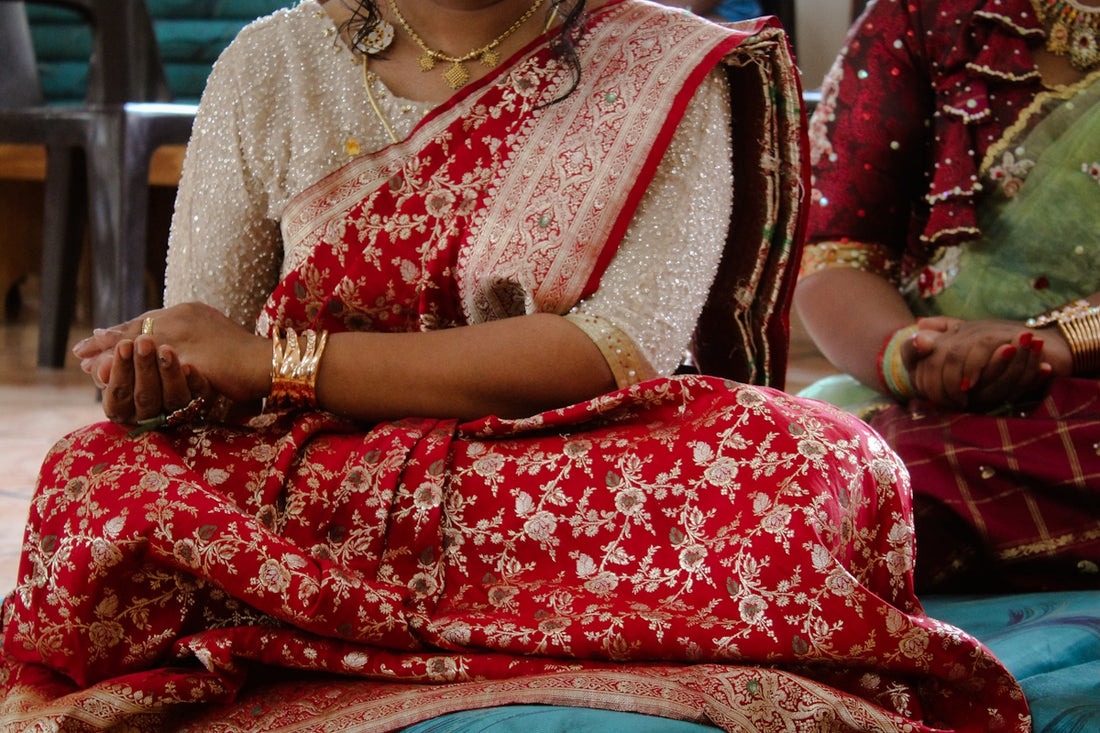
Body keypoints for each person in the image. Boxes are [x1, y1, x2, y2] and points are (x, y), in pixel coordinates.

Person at [0, 0, 1027, 730]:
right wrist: (166, 369)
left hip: (570, 457)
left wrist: (274, 360)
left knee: (813, 461)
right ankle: (547, 626)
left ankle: (315, 619)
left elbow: (612, 346)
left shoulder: (668, 63)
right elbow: (208, 326)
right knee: (101, 476)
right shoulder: (271, 63)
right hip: (325, 469)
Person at [797, 0, 1100, 593]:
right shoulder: (923, 16)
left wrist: (1063, 343)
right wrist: (909, 354)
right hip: (938, 412)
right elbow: (837, 253)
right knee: (829, 481)